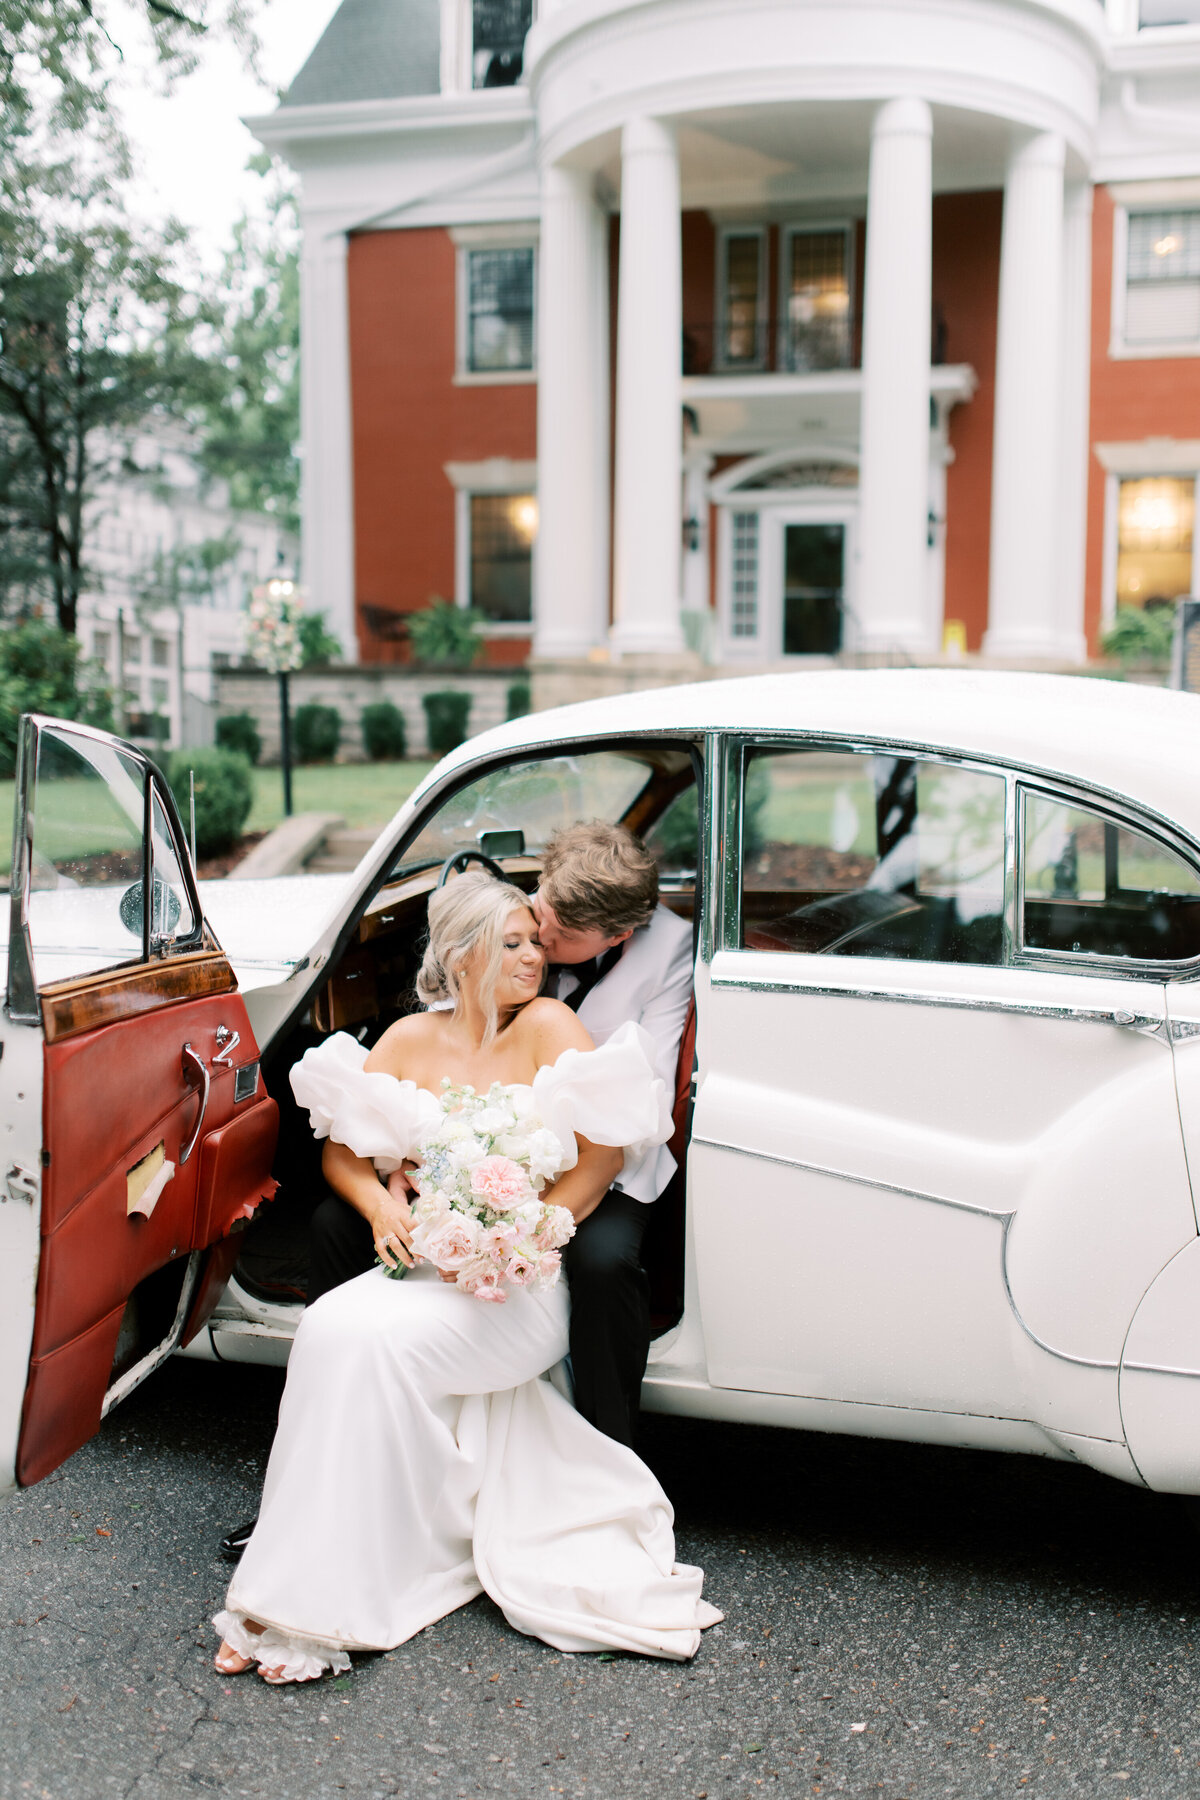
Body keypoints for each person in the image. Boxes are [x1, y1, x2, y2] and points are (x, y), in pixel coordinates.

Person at [213, 873, 719, 1681]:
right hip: (427, 1271)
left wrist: (538, 1228)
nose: (534, 958)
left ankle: (325, 1596)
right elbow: (340, 1149)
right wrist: (383, 1207)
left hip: (520, 1286)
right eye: (513, 944)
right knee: (332, 1329)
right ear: (460, 955)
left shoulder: (552, 1026)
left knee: (373, 1348)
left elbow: (604, 1156)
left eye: (533, 940)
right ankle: (293, 1588)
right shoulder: (411, 1039)